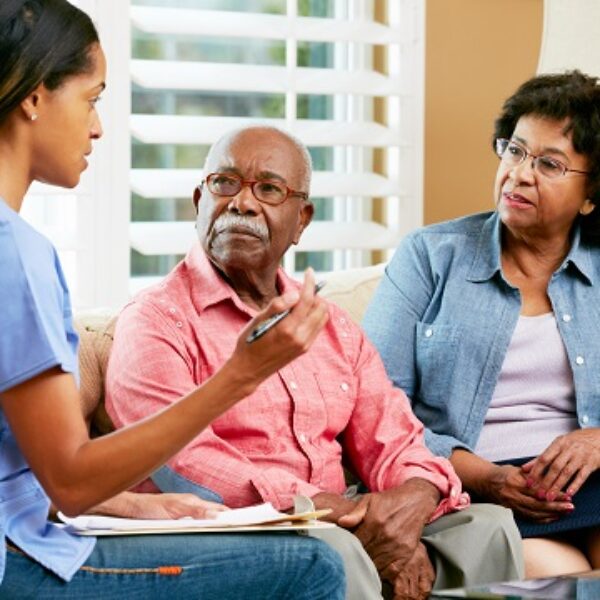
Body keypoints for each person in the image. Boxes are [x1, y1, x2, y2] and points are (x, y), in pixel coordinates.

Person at [0, 1, 346, 597]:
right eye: (92, 98)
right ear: (34, 96)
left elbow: (31, 468)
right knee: (313, 566)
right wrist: (241, 374)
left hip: (27, 527)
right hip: (18, 559)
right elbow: (71, 479)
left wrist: (133, 505)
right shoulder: (17, 255)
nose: (98, 126)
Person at [105, 124, 524, 600]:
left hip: (337, 516)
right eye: (225, 183)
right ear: (198, 201)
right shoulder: (157, 320)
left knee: (487, 526)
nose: (242, 203)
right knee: (333, 551)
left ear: (301, 219)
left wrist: (413, 499)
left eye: (268, 188)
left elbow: (395, 436)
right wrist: (320, 510)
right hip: (234, 528)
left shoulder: (332, 326)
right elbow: (180, 461)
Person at [363, 70, 600, 578]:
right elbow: (378, 408)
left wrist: (598, 439)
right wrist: (487, 476)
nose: (518, 174)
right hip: (467, 489)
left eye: (549, 164)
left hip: (586, 487)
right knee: (553, 566)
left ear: (591, 194)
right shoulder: (429, 257)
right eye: (514, 151)